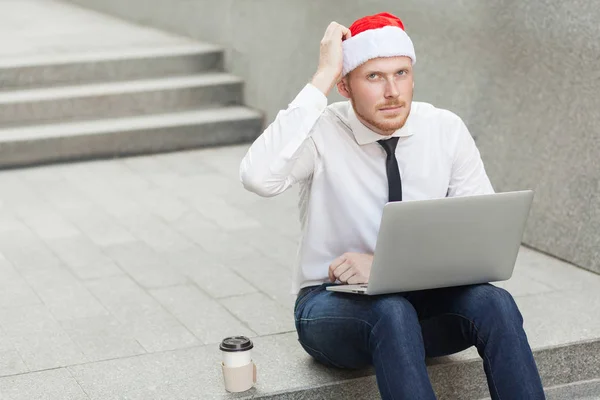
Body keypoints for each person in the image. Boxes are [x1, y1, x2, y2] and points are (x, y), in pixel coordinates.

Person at [239, 12, 545, 400]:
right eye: (373, 77)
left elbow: (478, 245)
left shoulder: (444, 129)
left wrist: (381, 265)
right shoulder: (322, 133)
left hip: (425, 303)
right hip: (331, 307)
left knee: (495, 303)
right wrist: (321, 77)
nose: (392, 91)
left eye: (401, 73)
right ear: (345, 86)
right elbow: (256, 177)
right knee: (391, 312)